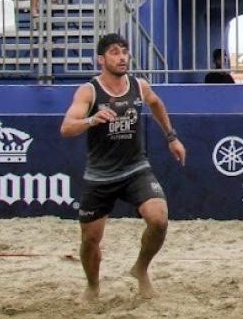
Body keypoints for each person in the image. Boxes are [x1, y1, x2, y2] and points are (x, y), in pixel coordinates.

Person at [58, 33, 187, 302]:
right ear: (101, 59)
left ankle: (140, 268)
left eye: (125, 52)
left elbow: (156, 104)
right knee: (90, 240)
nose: (122, 57)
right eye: (115, 52)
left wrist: (171, 137)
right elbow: (67, 128)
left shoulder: (138, 86)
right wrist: (91, 120)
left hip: (135, 168)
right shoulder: (89, 91)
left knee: (159, 219)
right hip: (100, 175)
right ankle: (93, 286)